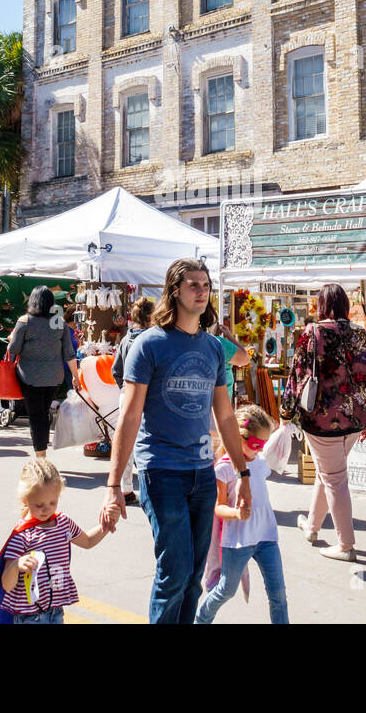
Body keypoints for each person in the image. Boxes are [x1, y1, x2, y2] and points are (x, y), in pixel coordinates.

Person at [100, 258, 251, 624]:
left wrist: (243, 475)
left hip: (202, 473)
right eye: (193, 285)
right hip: (160, 471)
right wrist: (113, 484)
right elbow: (130, 416)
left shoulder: (213, 348)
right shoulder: (149, 345)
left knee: (193, 581)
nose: (201, 291)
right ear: (175, 291)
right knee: (175, 573)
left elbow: (226, 415)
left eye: (205, 284)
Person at [281, 283, 366, 562]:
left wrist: (286, 415)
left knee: (334, 477)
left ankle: (346, 544)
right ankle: (311, 527)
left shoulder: (313, 333)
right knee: (329, 473)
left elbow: (296, 376)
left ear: (321, 305)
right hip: (355, 417)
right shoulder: (361, 334)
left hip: (323, 418)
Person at [194, 404, 288, 624]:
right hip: (237, 542)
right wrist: (236, 514)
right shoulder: (224, 468)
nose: (260, 449)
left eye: (264, 444)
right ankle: (201, 619)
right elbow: (218, 507)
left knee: (279, 595)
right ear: (238, 437)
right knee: (226, 590)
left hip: (267, 537)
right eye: (256, 444)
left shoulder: (261, 464)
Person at [0, 459, 108, 624]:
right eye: (39, 504)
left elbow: (88, 542)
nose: (46, 509)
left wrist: (106, 525)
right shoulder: (22, 535)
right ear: (24, 500)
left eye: (52, 502)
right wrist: (17, 564)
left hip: (55, 611)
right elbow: (6, 585)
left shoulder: (63, 523)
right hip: (30, 617)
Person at [7, 286, 80, 457]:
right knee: (44, 412)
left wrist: (11, 338)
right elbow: (69, 354)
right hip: (55, 377)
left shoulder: (24, 321)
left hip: (30, 376)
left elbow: (14, 349)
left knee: (36, 415)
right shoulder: (59, 323)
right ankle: (42, 450)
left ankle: (41, 457)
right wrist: (76, 377)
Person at [111, 297, 155, 505]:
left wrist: (123, 388)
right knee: (147, 441)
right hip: (147, 397)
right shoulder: (152, 340)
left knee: (126, 442)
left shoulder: (125, 339)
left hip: (125, 395)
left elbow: (116, 370)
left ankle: (125, 488)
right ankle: (149, 487)